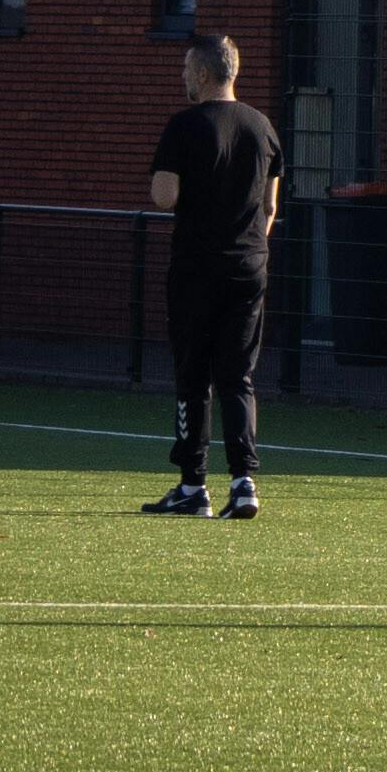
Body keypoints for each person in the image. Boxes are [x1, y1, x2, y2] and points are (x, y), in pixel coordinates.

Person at [141, 34, 287, 518]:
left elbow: (164, 196)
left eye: (187, 69)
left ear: (204, 74)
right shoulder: (262, 126)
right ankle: (244, 483)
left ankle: (192, 485)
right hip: (249, 267)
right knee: (238, 377)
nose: (183, 76)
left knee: (193, 376)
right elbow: (269, 207)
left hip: (196, 268)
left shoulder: (184, 126)